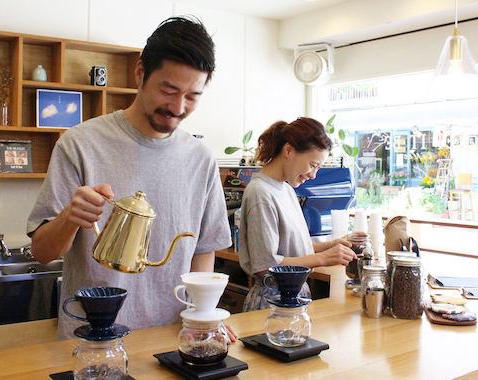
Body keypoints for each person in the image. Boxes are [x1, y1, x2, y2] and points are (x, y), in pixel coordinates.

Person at [27, 16, 233, 340]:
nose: (178, 107)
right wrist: (70, 217)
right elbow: (42, 252)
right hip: (92, 342)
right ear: (140, 73)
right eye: (168, 90)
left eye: (192, 97)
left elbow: (204, 249)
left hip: (171, 339)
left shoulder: (202, 159)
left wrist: (201, 314)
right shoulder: (81, 144)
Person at [238, 117, 355, 311]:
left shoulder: (286, 189)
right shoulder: (260, 193)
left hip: (293, 296)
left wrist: (329, 245)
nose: (313, 175)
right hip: (272, 302)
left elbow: (292, 249)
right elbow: (266, 267)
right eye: (313, 165)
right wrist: (324, 258)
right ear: (289, 150)